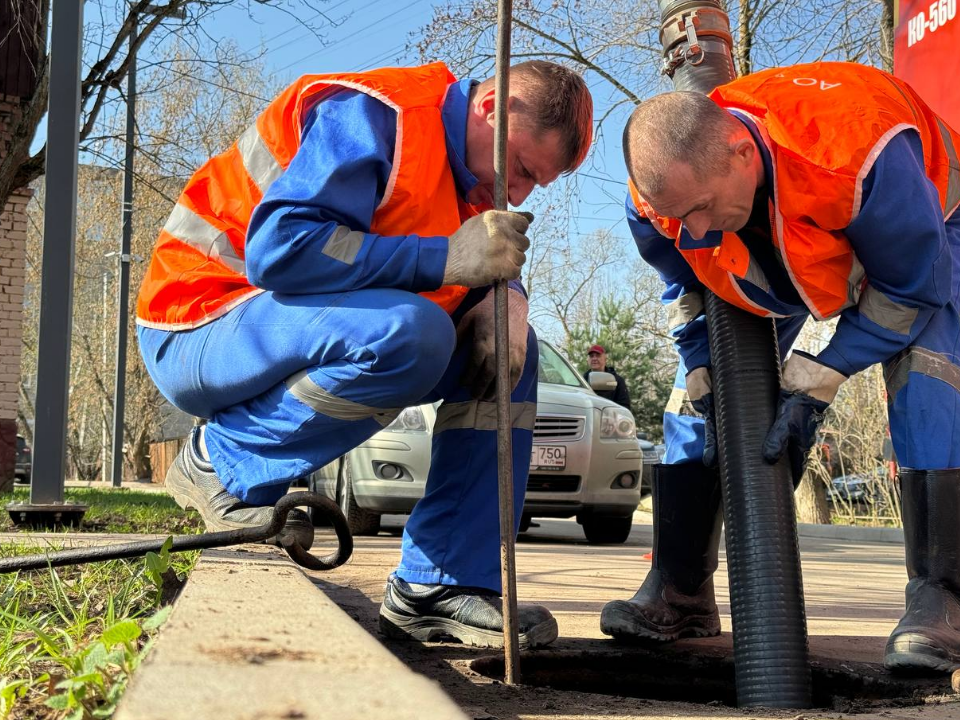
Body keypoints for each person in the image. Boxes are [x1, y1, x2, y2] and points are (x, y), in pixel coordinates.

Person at [136, 60, 593, 649]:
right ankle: (222, 461)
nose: (520, 192)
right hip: (198, 322)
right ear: (494, 108)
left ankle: (440, 584)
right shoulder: (380, 113)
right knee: (413, 333)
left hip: (277, 328)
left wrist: (508, 300)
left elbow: (464, 259)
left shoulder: (476, 181)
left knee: (509, 355)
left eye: (536, 185)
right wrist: (445, 260)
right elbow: (280, 251)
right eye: (524, 170)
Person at [603, 60, 960, 674]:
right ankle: (681, 586)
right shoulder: (666, 197)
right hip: (780, 237)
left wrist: (825, 376)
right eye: (680, 215)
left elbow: (911, 289)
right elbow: (685, 283)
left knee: (931, 378)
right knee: (696, 399)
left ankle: (943, 598)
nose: (694, 231)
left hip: (923, 229)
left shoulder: (857, 155)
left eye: (703, 207)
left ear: (742, 154)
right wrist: (696, 364)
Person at [583, 344, 631, 409]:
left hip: (609, 417)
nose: (594, 358)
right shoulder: (582, 380)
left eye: (598, 355)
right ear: (588, 360)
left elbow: (624, 407)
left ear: (605, 359)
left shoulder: (616, 380)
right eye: (591, 356)